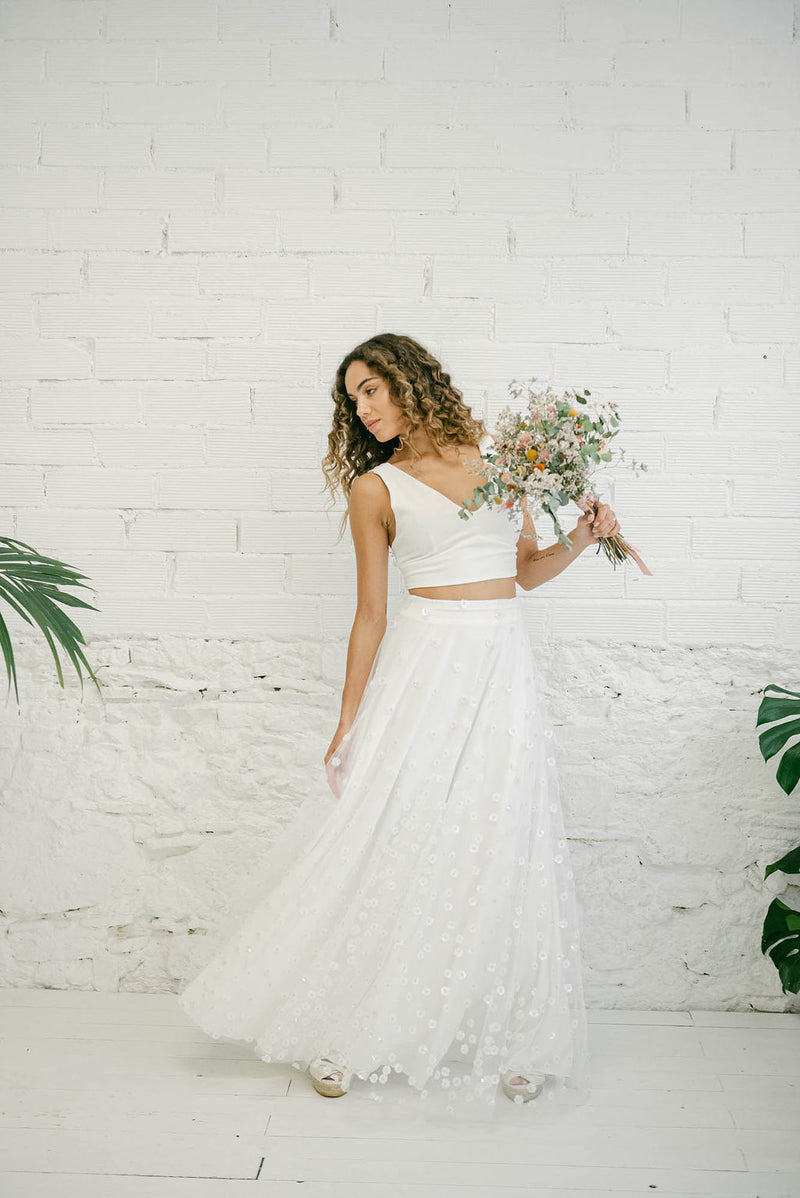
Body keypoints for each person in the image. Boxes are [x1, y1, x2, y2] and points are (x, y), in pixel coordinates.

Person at [177, 333, 620, 1127]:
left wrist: (582, 540)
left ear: (412, 383)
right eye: (354, 399)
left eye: (374, 388)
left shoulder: (499, 461)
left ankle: (522, 1039)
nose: (365, 407)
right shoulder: (374, 489)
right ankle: (347, 1026)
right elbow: (372, 615)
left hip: (501, 665)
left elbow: (519, 571)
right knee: (397, 831)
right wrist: (348, 721)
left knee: (501, 838)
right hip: (428, 666)